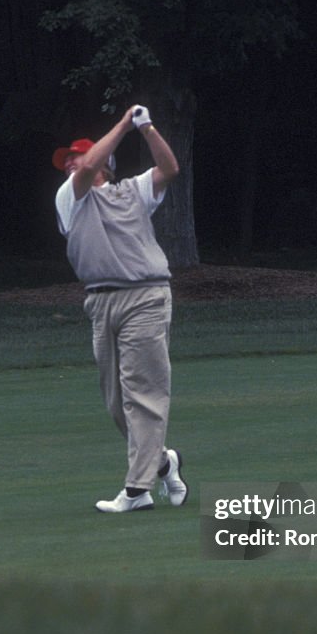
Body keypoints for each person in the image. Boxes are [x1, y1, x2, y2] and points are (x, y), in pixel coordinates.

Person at [52, 104, 188, 513]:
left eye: (75, 156)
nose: (71, 163)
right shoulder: (69, 198)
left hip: (146, 296)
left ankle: (137, 491)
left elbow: (170, 168)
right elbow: (86, 169)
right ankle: (163, 461)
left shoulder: (133, 191)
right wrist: (123, 123)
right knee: (117, 403)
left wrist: (145, 127)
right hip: (100, 302)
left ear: (104, 165)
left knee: (143, 393)